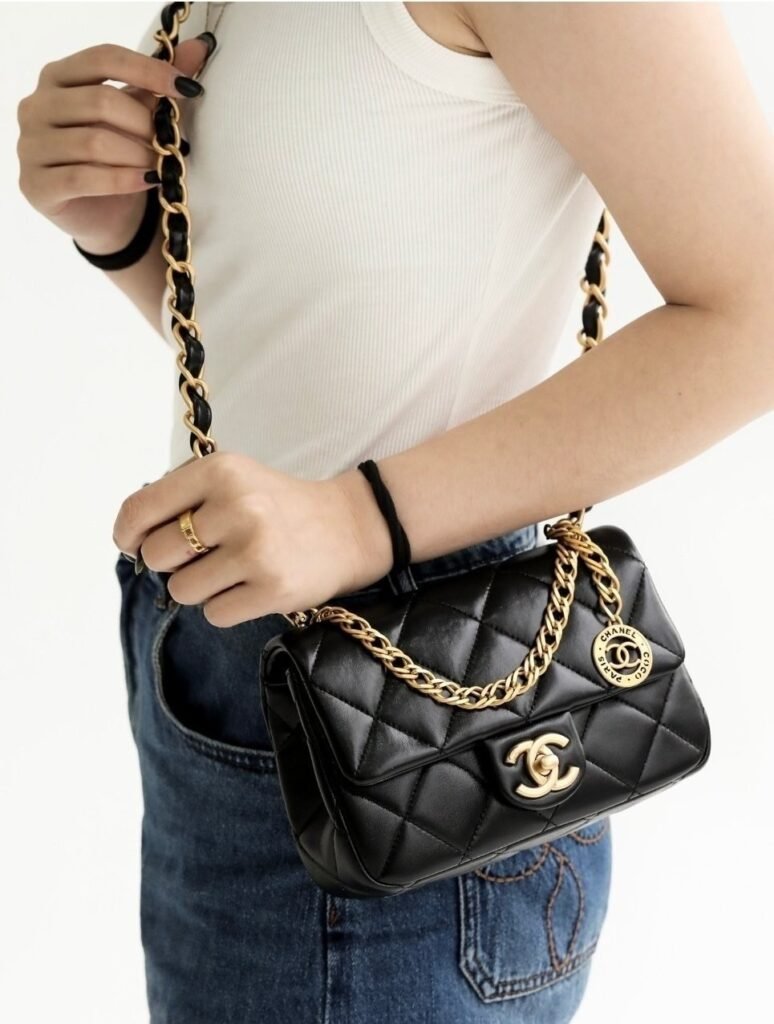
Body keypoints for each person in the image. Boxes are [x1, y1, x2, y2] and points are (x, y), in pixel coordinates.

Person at [15, 2, 774, 1021]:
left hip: (422, 702)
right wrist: (126, 233)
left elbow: (757, 314)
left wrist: (357, 520)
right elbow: (326, 335)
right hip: (226, 655)